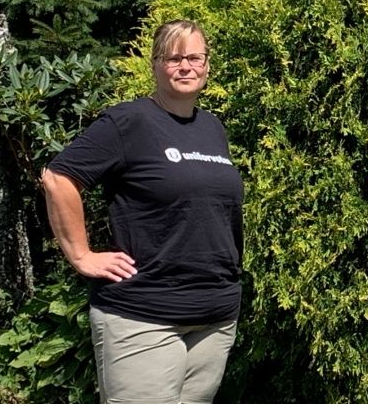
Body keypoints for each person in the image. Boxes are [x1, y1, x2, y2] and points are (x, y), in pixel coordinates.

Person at [41, 20, 243, 404]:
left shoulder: (212, 127)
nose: (186, 66)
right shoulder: (128, 121)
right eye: (174, 58)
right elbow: (58, 178)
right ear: (155, 65)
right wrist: (81, 254)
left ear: (207, 65)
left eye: (195, 57)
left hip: (214, 316)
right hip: (144, 315)